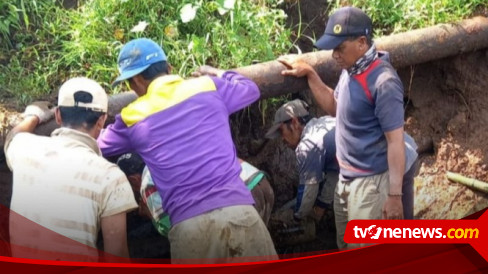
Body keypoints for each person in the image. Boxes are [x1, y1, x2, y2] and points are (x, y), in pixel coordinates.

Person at [97, 38, 277, 262]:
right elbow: (249, 89)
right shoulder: (208, 86)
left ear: (136, 81)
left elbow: (97, 143)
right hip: (238, 211)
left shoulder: (132, 116)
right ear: (169, 68)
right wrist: (217, 72)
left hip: (190, 229)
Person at [277, 7, 419, 248]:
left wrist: (394, 196)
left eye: (339, 48)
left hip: (372, 184)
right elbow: (336, 106)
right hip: (346, 179)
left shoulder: (383, 82)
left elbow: (395, 141)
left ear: (362, 43)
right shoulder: (351, 71)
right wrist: (311, 75)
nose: (335, 55)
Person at [4, 77, 138, 261]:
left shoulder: (23, 148)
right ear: (102, 120)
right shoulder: (110, 177)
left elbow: (13, 136)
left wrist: (34, 115)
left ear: (58, 115)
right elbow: (117, 259)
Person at [116, 153, 275, 239]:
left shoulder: (147, 182)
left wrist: (149, 215)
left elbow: (171, 229)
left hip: (242, 197)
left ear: (133, 179)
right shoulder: (166, 157)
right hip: (257, 180)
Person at [265, 99, 338, 224]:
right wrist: (321, 206)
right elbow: (335, 172)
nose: (282, 139)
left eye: (282, 131)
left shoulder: (307, 146)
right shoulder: (324, 124)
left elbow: (309, 191)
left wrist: (297, 217)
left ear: (294, 123)